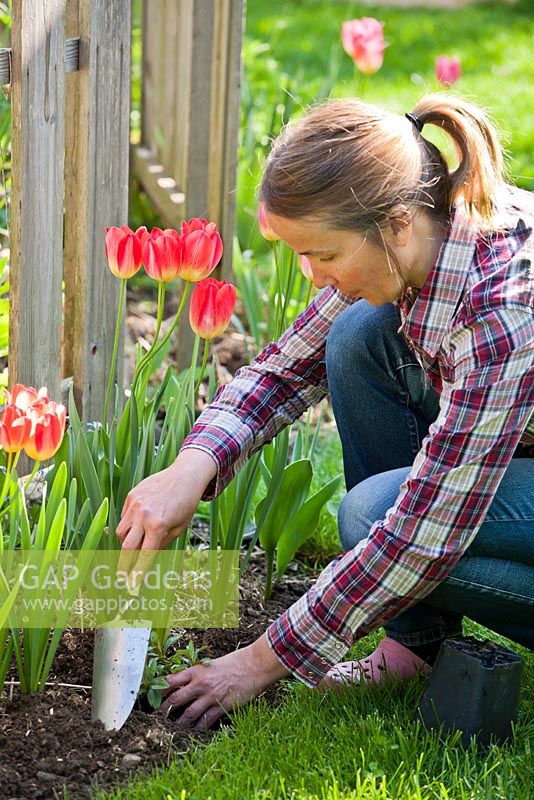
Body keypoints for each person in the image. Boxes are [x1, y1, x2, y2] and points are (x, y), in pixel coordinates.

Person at [116, 93, 534, 732]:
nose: (311, 276)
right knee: (358, 335)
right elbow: (285, 368)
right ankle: (413, 643)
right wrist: (191, 468)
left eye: (325, 255)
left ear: (395, 224)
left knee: (372, 515)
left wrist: (259, 661)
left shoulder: (501, 314)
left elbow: (421, 534)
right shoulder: (424, 234)